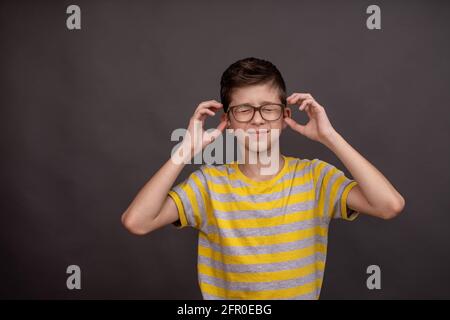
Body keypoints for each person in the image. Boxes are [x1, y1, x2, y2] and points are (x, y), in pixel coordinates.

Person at [121, 57, 405, 300]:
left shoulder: (316, 177)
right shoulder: (208, 184)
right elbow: (137, 222)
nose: (257, 120)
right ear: (229, 121)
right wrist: (185, 150)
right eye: (244, 110)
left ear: (284, 116)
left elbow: (388, 205)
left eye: (268, 109)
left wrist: (330, 138)